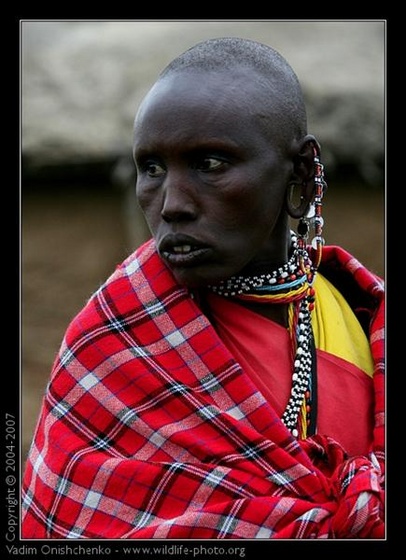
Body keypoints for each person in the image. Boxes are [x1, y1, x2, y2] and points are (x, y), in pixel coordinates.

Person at [21, 37, 385, 539]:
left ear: (300, 170)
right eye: (151, 168)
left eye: (209, 164)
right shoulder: (115, 348)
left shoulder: (364, 323)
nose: (171, 203)